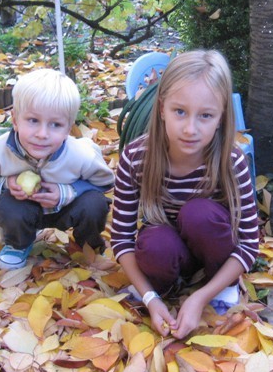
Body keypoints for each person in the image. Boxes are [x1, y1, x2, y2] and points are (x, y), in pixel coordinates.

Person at [111, 50, 259, 339]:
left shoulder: (231, 161)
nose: (190, 129)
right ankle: (164, 288)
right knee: (155, 243)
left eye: (205, 115)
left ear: (221, 117)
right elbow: (121, 239)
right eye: (179, 111)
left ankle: (221, 287)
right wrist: (150, 299)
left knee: (199, 215)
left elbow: (250, 244)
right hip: (168, 253)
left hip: (215, 252)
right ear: (162, 108)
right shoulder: (136, 157)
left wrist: (201, 298)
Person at [0, 69, 115, 270]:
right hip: (24, 208)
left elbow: (104, 184)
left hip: (68, 208)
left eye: (56, 124)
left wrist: (68, 191)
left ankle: (89, 244)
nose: (42, 134)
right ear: (15, 120)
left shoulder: (82, 155)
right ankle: (18, 244)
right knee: (8, 207)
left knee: (94, 204)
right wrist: (6, 183)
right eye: (33, 120)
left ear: (68, 128)